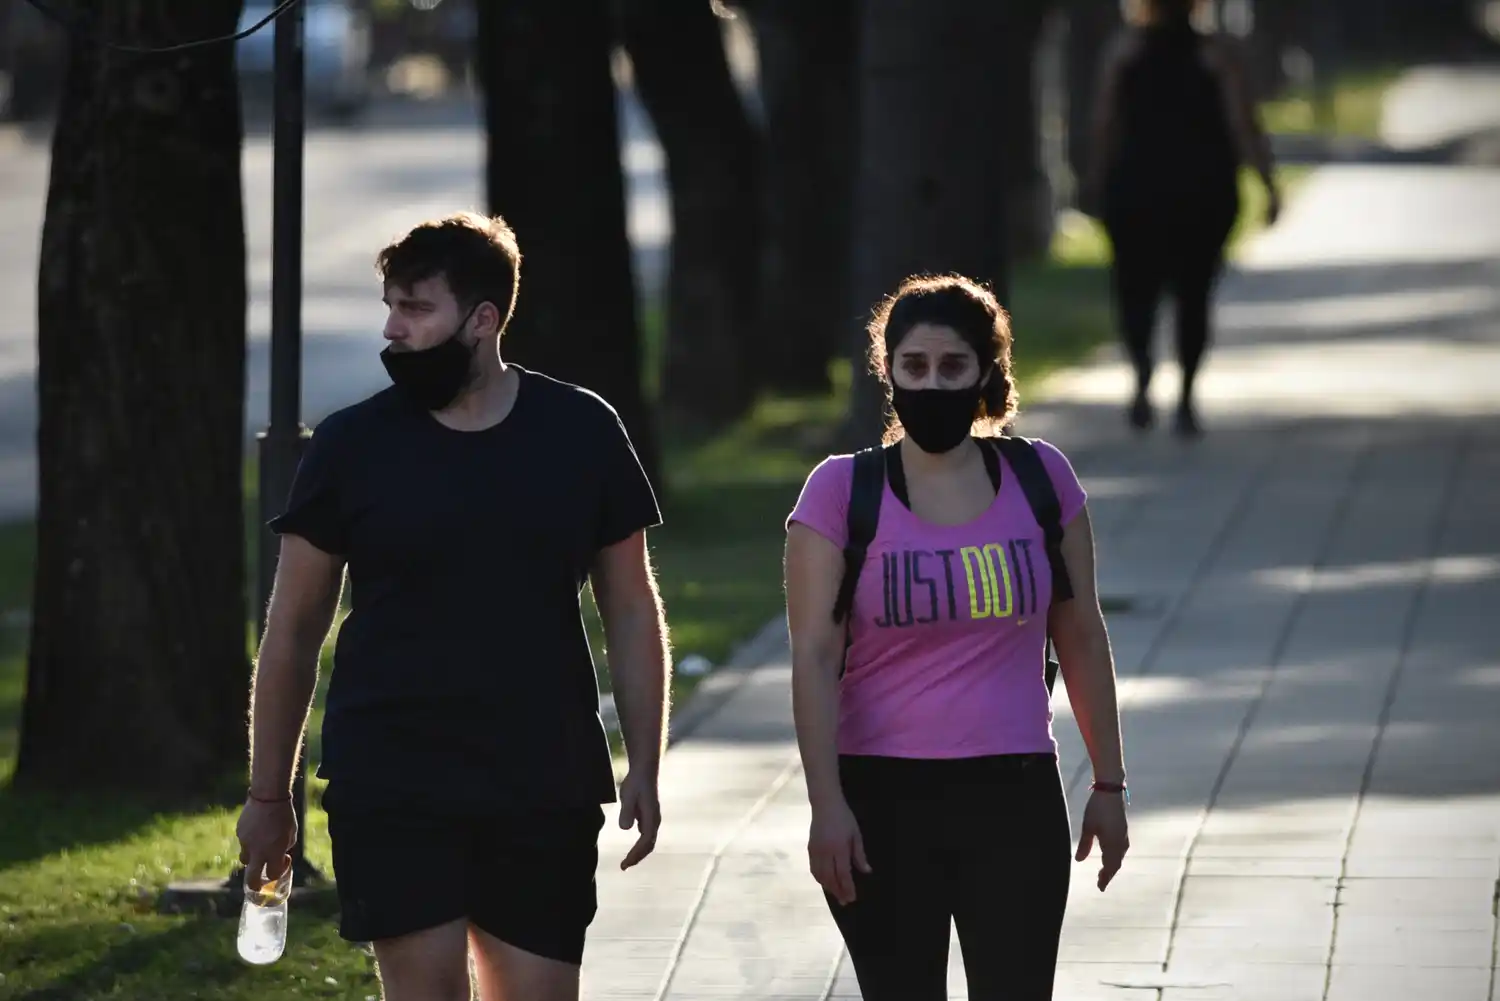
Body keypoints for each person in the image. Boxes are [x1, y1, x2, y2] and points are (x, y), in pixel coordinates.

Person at [234, 211, 671, 1001]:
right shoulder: (351, 445)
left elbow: (632, 606)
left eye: (416, 309)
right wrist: (269, 795)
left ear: (483, 320)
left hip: (543, 774)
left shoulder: (581, 430)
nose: (393, 330)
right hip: (393, 773)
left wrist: (645, 757)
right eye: (390, 307)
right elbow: (293, 630)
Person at [783, 274, 1130, 1000]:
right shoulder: (841, 492)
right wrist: (826, 806)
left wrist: (1108, 783)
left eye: (952, 368)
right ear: (887, 372)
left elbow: (1082, 635)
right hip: (879, 801)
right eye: (914, 367)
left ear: (986, 374)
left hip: (1015, 795)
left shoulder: (1042, 478)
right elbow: (814, 656)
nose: (932, 384)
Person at [1086, 0, 1282, 436]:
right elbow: (1242, 121)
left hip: (1136, 189)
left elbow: (1104, 122)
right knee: (1194, 295)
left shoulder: (1125, 51)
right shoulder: (1216, 54)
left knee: (1135, 291)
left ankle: (1142, 378)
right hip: (1202, 190)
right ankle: (1186, 397)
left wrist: (1097, 181)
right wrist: (1267, 181)